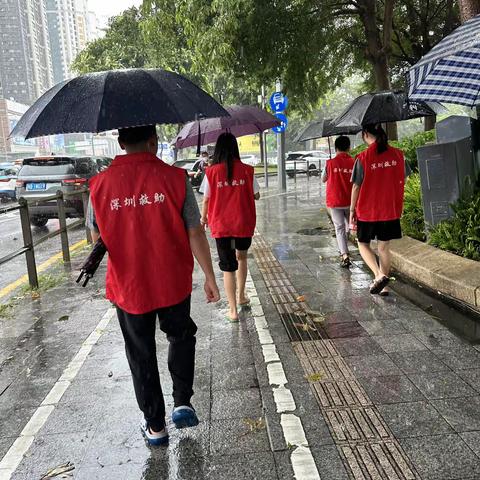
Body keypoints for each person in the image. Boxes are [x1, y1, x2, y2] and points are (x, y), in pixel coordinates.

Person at [86, 125, 220, 446]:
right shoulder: (175, 179)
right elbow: (195, 232)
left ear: (120, 142)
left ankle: (155, 427)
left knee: (140, 352)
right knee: (181, 335)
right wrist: (210, 278)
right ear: (153, 141)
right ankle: (182, 400)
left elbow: (95, 239)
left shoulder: (99, 185)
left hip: (128, 286)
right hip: (172, 279)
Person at [200, 133, 260, 322]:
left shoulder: (211, 172)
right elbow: (256, 195)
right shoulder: (247, 171)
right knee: (241, 258)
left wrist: (203, 218)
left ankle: (232, 310)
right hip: (243, 222)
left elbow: (206, 199)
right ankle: (241, 296)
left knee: (227, 267)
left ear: (217, 149)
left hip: (221, 225)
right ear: (235, 148)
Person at [349, 124, 409, 296]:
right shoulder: (398, 155)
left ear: (366, 134)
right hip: (390, 209)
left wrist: (352, 210)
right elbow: (404, 177)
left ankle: (379, 275)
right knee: (384, 248)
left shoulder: (363, 157)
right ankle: (384, 286)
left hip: (368, 210)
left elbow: (355, 186)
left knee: (363, 244)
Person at [322, 136, 354, 268]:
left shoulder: (329, 163)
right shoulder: (354, 162)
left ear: (335, 148)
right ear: (348, 148)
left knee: (339, 228)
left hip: (335, 201)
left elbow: (323, 179)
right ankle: (347, 245)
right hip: (351, 200)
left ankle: (344, 254)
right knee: (348, 226)